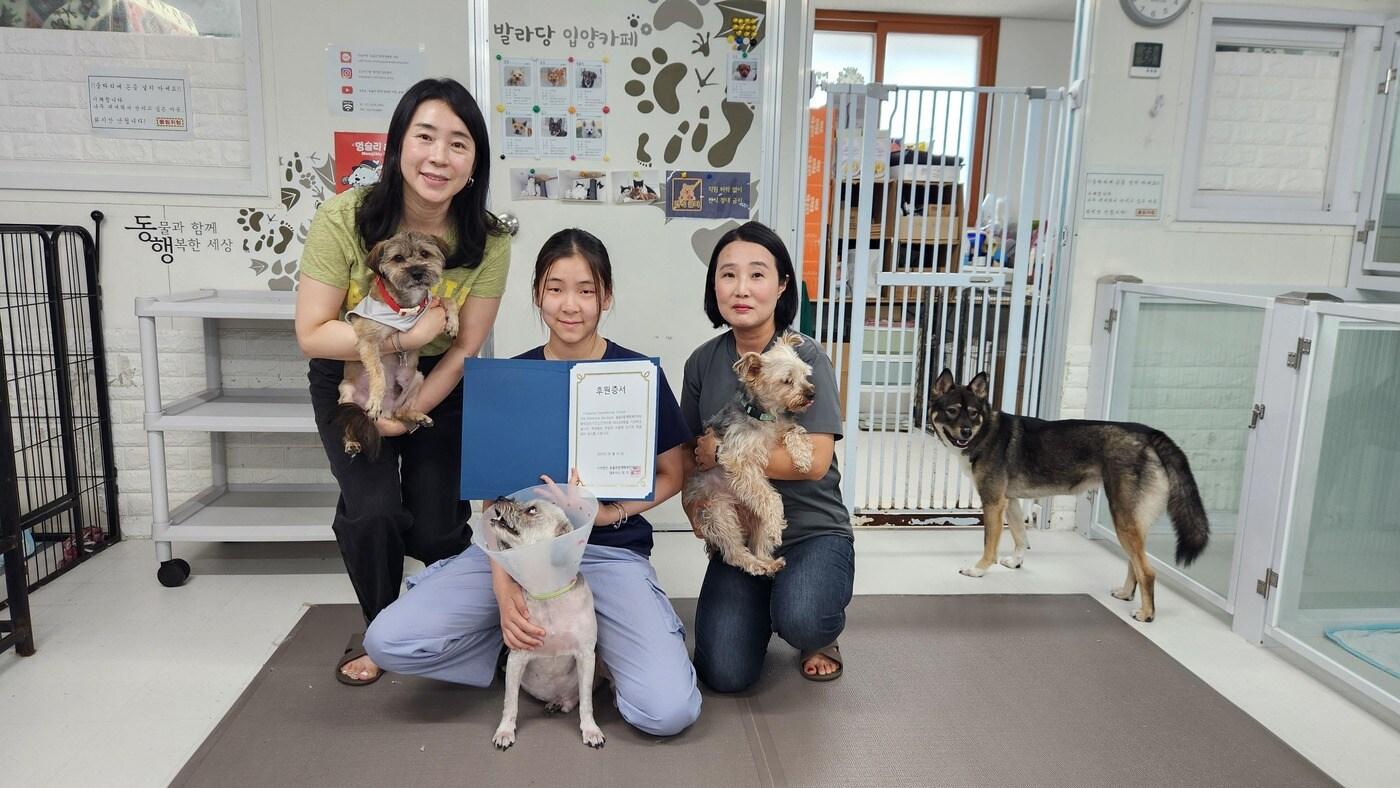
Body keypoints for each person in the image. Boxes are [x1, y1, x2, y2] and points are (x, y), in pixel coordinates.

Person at [362, 228, 701, 737]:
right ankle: (525, 642)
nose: (570, 305)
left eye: (586, 290)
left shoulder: (635, 374)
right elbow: (492, 498)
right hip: (515, 555)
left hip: (607, 552)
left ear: (606, 297)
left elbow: (674, 473)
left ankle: (593, 642)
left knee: (666, 712)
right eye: (555, 288)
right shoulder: (507, 379)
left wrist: (612, 513)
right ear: (538, 294)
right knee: (388, 641)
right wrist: (504, 589)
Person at [294, 78, 510, 686]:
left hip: (438, 377)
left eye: (459, 143)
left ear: (475, 163)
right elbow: (313, 332)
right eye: (425, 137)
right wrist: (401, 343)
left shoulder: (488, 238)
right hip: (351, 373)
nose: (439, 156)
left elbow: (467, 344)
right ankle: (381, 627)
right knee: (374, 511)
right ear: (396, 147)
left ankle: (448, 624)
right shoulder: (346, 217)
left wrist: (413, 399)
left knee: (441, 522)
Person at [682, 220, 853, 690]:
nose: (741, 288)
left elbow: (814, 462)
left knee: (802, 619)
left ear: (781, 287)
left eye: (757, 275)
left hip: (811, 530)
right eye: (728, 274)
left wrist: (723, 456)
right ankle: (763, 594)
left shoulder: (805, 357)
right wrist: (694, 506)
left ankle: (816, 631)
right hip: (741, 521)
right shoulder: (702, 361)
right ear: (713, 284)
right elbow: (688, 451)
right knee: (723, 673)